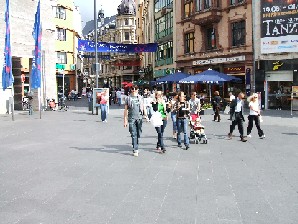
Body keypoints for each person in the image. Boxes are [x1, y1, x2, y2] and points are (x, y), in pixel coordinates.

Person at [124, 85, 148, 157]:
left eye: (135, 89)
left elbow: (143, 107)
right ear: (131, 90)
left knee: (138, 133)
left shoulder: (140, 98)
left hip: (139, 118)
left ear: (138, 89)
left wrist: (146, 116)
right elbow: (125, 110)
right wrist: (125, 120)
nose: (134, 90)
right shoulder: (128, 98)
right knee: (133, 133)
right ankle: (135, 149)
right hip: (131, 118)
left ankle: (136, 144)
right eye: (132, 89)